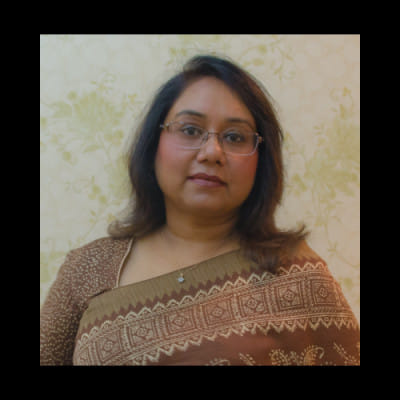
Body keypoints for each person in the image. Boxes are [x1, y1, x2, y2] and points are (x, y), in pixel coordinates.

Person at [40, 55, 360, 366]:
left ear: (261, 161)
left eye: (234, 137)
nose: (212, 152)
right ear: (154, 144)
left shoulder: (295, 274)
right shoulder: (88, 269)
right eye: (191, 130)